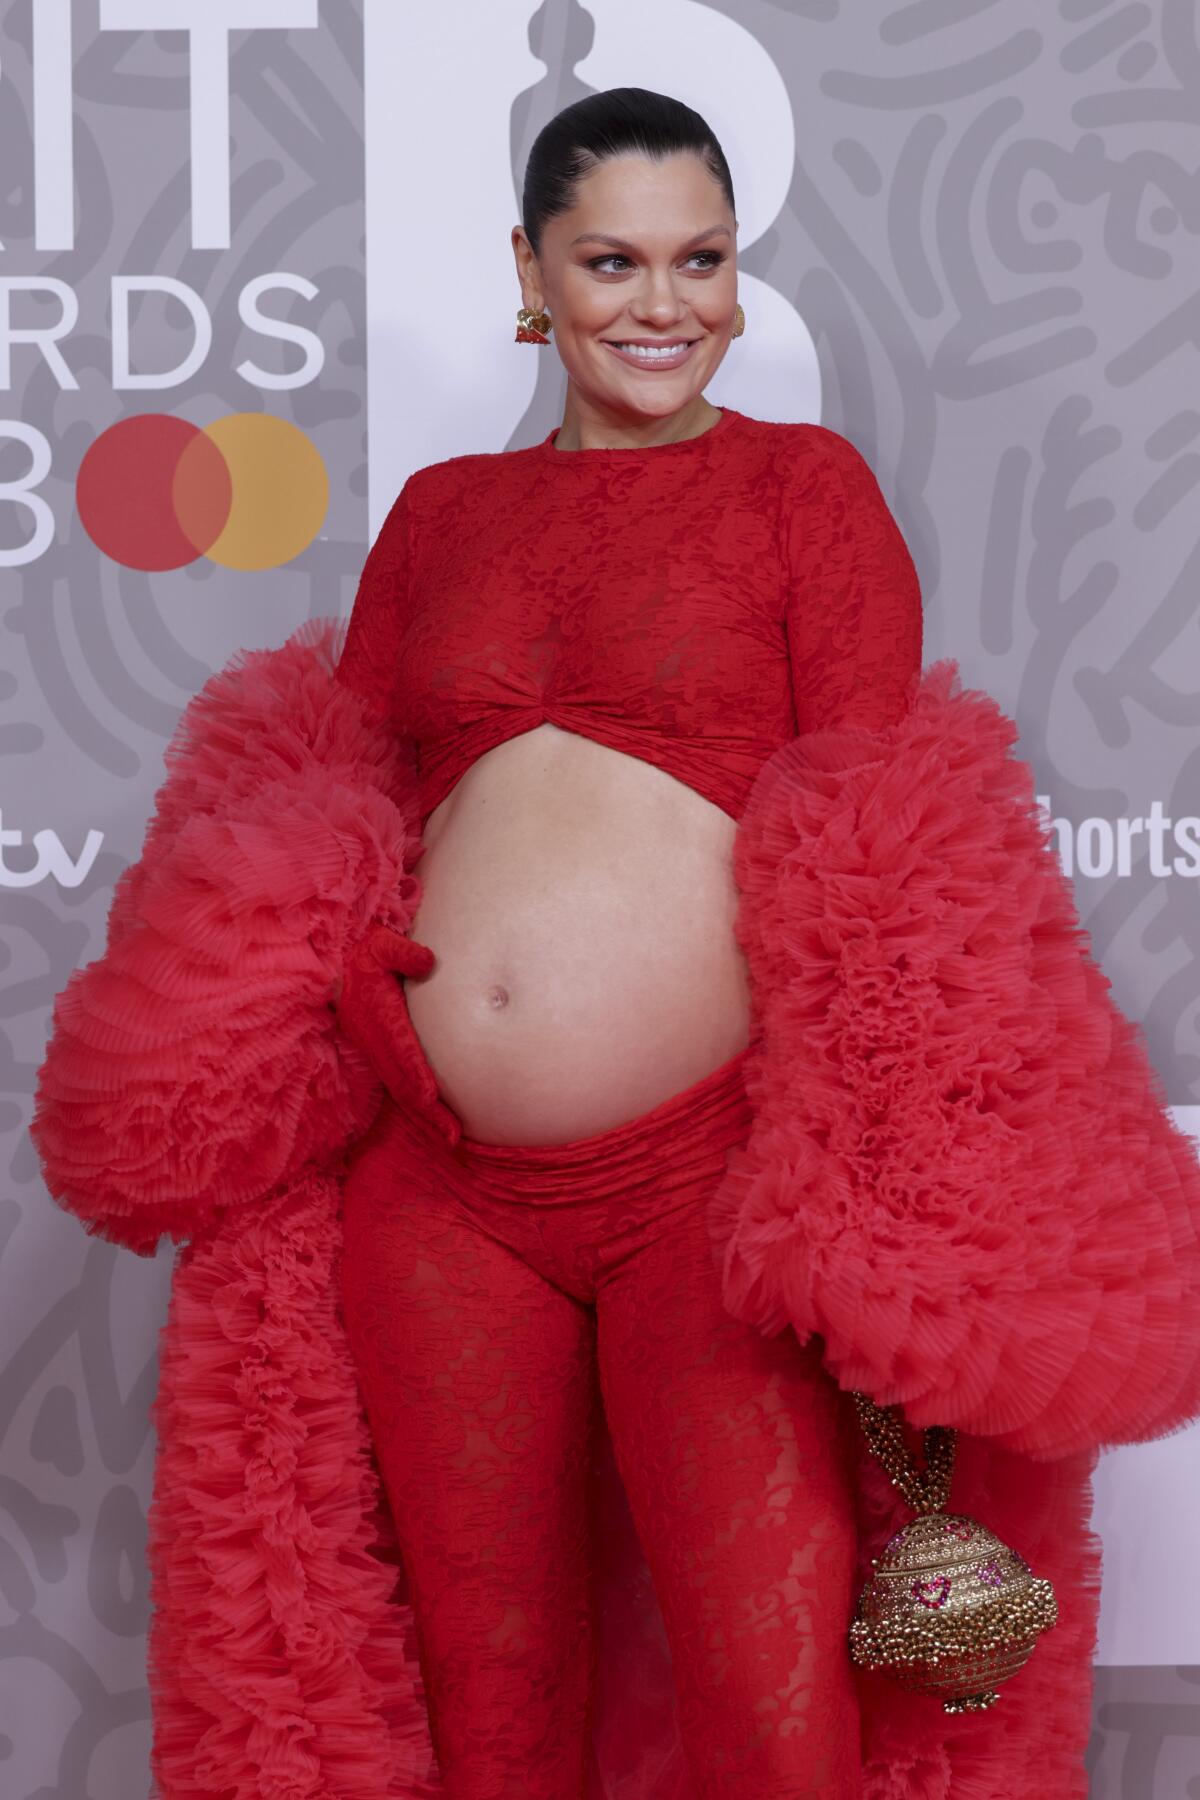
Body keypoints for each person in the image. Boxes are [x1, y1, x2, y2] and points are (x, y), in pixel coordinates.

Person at [31, 86, 1200, 1800]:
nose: (666, 306)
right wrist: (343, 964)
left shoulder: (807, 492)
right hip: (442, 1199)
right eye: (615, 260)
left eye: (702, 260)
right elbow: (349, 793)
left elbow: (883, 858)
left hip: (699, 1190)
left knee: (770, 1705)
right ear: (533, 269)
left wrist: (878, 1191)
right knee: (487, 1703)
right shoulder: (440, 516)